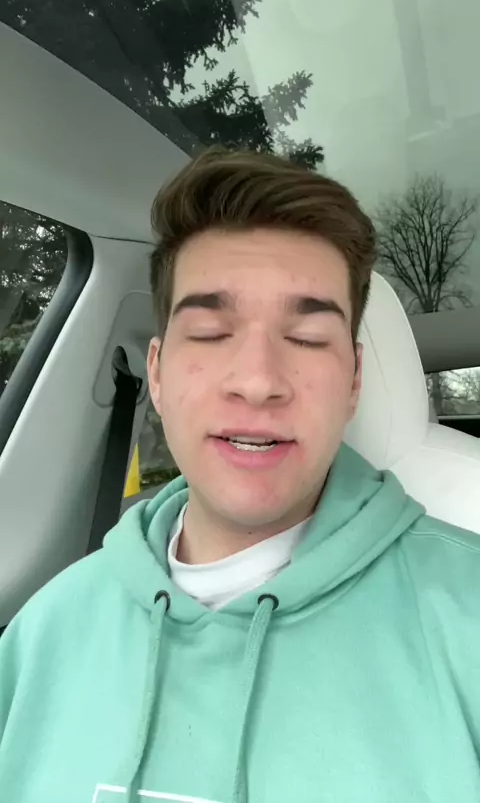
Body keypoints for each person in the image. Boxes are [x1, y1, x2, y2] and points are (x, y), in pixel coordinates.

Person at [1, 148, 480, 803]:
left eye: (307, 338)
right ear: (157, 374)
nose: (257, 381)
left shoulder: (466, 620)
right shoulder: (43, 634)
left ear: (353, 383)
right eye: (210, 331)